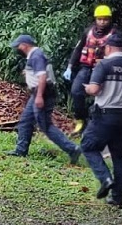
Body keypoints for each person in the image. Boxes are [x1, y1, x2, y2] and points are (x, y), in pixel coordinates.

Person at [82, 33, 122, 208]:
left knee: (88, 147)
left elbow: (95, 89)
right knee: (119, 156)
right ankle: (118, 199)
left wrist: (87, 88)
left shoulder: (104, 64)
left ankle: (105, 178)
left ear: (108, 48)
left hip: (105, 115)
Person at [5, 35, 82, 164]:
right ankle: (21, 149)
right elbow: (41, 72)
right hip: (37, 93)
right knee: (25, 121)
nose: (18, 48)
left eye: (18, 46)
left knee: (45, 125)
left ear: (25, 44)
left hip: (43, 93)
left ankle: (72, 149)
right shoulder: (34, 56)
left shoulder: (36, 55)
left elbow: (42, 77)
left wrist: (40, 96)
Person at [63, 5, 122, 136]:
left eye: (105, 19)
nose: (102, 22)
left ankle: (101, 125)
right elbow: (78, 49)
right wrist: (70, 66)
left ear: (110, 20)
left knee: (103, 97)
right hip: (86, 67)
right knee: (76, 92)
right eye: (100, 19)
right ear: (95, 19)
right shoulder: (88, 32)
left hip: (105, 69)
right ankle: (81, 120)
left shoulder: (116, 35)